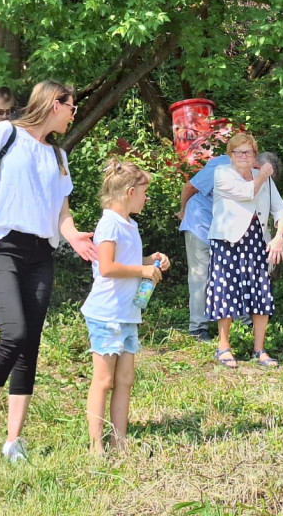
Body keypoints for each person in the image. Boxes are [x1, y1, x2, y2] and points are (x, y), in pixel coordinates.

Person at [0, 80, 97, 462]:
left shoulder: (59, 156)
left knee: (29, 347)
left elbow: (61, 210)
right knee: (14, 333)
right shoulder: (5, 132)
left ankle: (14, 441)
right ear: (53, 103)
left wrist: (74, 237)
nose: (74, 112)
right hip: (1, 248)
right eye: (70, 105)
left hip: (41, 254)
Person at [81, 159, 171, 455]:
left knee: (125, 380)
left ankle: (120, 440)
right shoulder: (109, 223)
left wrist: (150, 260)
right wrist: (141, 271)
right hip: (106, 314)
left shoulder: (130, 225)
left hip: (128, 314)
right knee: (104, 380)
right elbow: (106, 267)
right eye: (144, 193)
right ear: (130, 192)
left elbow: (128, 261)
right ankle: (96, 444)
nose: (146, 199)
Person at [207, 132, 283, 369]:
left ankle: (259, 350)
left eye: (249, 152)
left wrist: (279, 237)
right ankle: (223, 347)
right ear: (230, 155)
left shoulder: (263, 178)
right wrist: (264, 174)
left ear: (255, 155)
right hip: (227, 240)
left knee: (261, 291)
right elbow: (246, 193)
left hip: (257, 240)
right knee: (225, 289)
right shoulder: (222, 174)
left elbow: (282, 211)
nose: (244, 156)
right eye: (238, 151)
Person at [177, 152, 231, 341]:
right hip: (199, 223)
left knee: (226, 275)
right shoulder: (221, 166)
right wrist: (183, 211)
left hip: (222, 229)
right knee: (201, 275)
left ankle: (237, 323)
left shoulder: (253, 176)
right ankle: (198, 328)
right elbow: (189, 186)